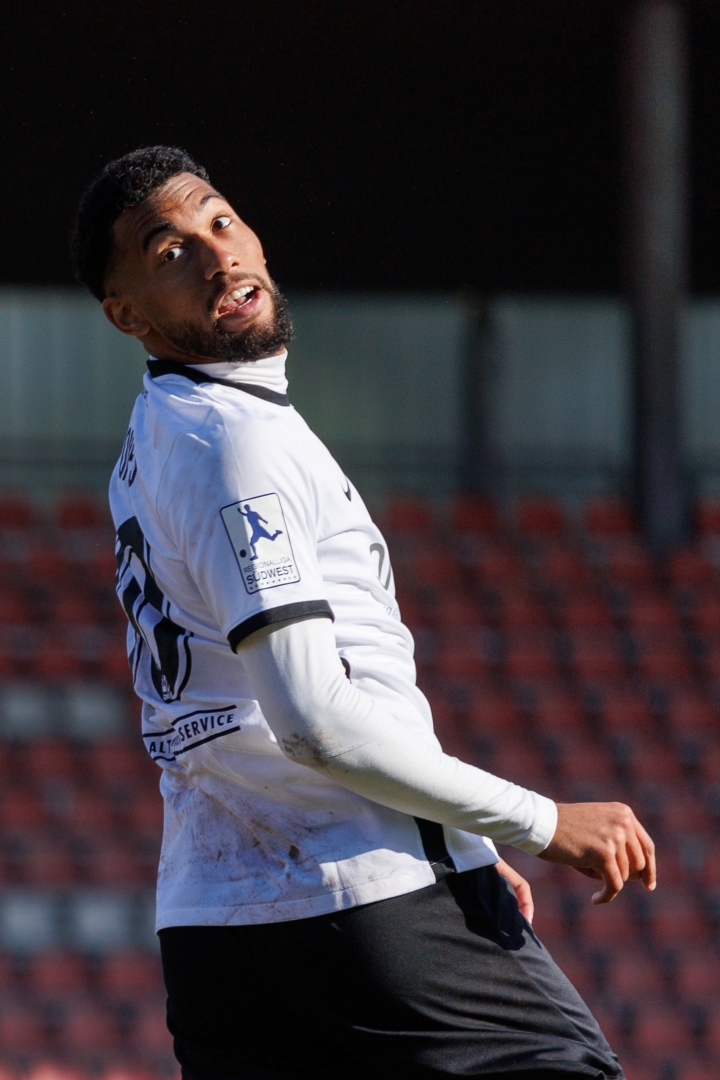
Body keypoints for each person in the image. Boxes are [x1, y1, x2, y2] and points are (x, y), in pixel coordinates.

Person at [72, 146, 655, 1080]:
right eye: (169, 251)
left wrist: (451, 839)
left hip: (217, 933)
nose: (218, 255)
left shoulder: (156, 437)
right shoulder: (237, 442)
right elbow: (314, 721)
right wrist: (538, 823)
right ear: (127, 315)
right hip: (359, 896)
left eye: (220, 220)